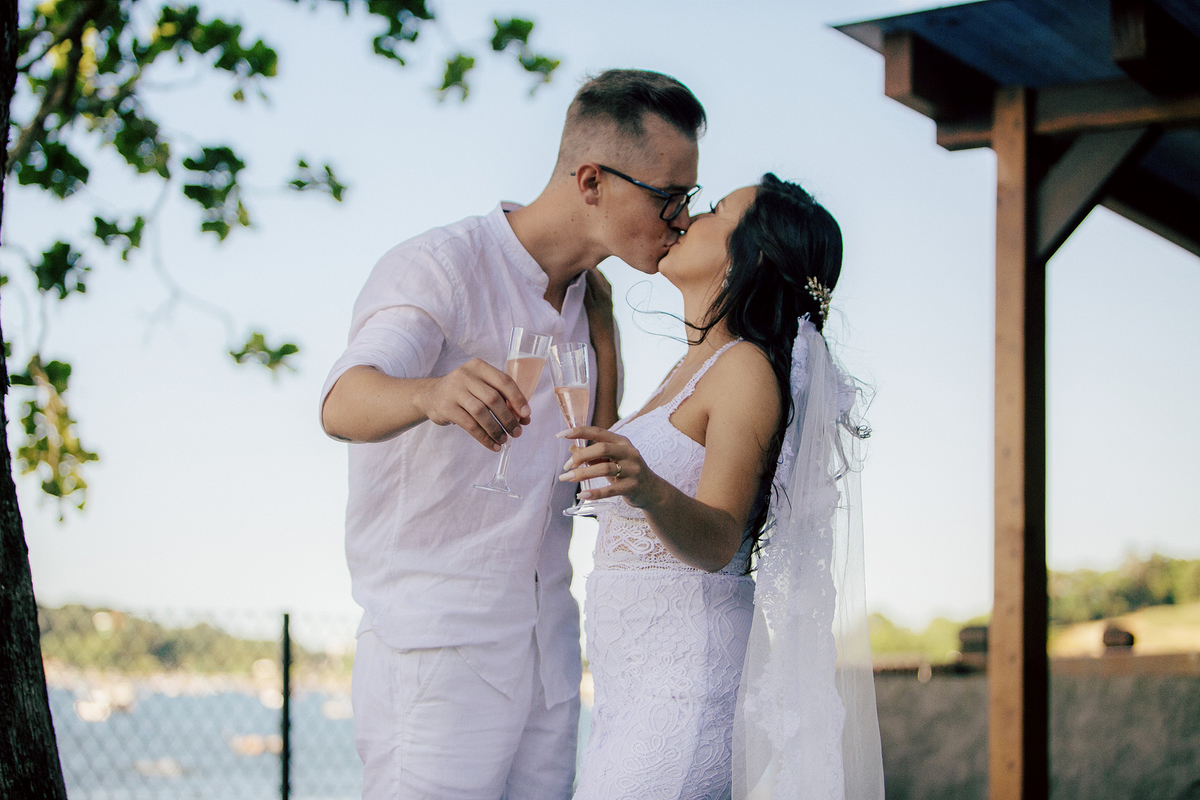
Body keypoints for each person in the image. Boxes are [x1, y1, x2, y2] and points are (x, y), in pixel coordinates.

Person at [318, 70, 706, 800]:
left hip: (550, 650)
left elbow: (590, 466)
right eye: (667, 196)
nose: (682, 218)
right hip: (438, 651)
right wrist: (431, 392)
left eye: (688, 197)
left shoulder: (596, 304)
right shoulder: (442, 266)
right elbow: (343, 401)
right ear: (591, 180)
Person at [561, 174, 885, 799]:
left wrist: (649, 488)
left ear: (752, 255)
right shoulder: (693, 367)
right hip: (628, 697)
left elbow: (718, 539)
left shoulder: (743, 368)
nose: (685, 216)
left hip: (685, 694)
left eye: (713, 209)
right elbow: (605, 454)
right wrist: (601, 326)